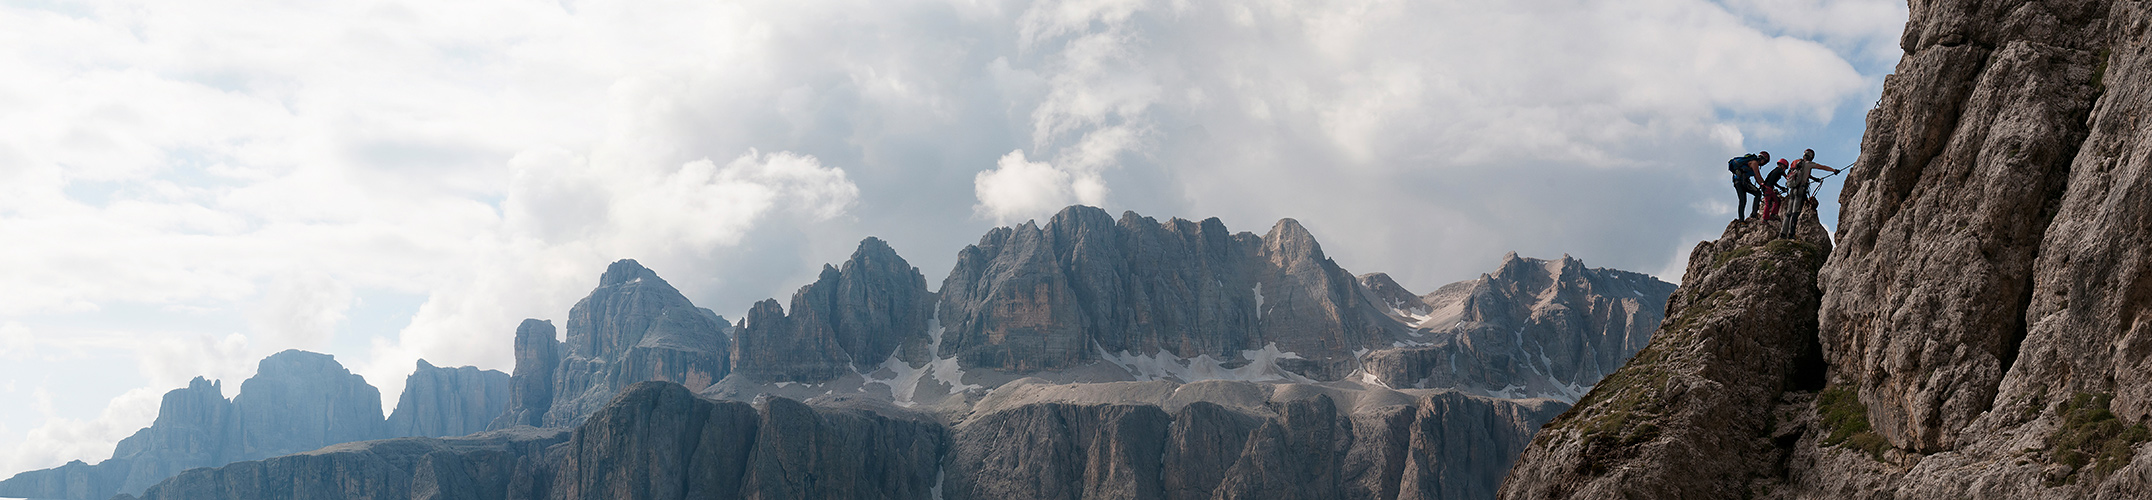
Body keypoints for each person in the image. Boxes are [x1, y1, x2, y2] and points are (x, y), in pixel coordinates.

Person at [1779, 149, 1842, 238]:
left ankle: (1782, 234)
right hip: (1800, 189)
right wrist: (1834, 170)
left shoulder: (1796, 162)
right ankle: (1791, 234)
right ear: (1811, 157)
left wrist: (1814, 179)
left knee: (1788, 213)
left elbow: (1798, 174)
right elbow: (1822, 167)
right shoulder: (1809, 164)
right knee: (1795, 213)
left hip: (1792, 189)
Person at [1727, 151, 1770, 221]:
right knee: (1757, 194)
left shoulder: (1751, 162)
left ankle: (1741, 220)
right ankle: (1753, 215)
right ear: (1763, 160)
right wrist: (1767, 186)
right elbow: (1758, 177)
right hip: (1743, 182)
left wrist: (1763, 185)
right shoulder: (1755, 163)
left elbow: (1757, 178)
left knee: (1742, 200)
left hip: (1737, 181)